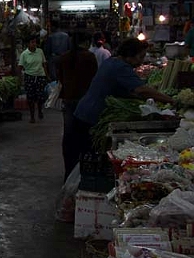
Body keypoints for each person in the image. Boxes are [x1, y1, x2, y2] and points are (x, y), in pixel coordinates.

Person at [65, 37, 176, 177]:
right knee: (86, 158)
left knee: (79, 156)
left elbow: (127, 90)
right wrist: (171, 100)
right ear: (130, 55)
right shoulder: (120, 67)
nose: (142, 61)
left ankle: (75, 184)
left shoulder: (112, 61)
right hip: (90, 116)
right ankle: (79, 188)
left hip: (83, 113)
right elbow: (141, 90)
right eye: (140, 57)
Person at [59, 32, 99, 178]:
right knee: (85, 136)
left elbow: (60, 79)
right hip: (85, 101)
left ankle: (69, 173)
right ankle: (84, 172)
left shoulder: (64, 58)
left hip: (68, 100)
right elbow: (95, 79)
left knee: (69, 137)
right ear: (86, 41)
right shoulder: (89, 57)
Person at [18, 35, 49, 123]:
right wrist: (19, 79)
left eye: (35, 42)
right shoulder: (24, 54)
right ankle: (32, 116)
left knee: (40, 96)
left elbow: (44, 64)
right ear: (28, 44)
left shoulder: (40, 51)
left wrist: (47, 75)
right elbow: (20, 67)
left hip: (40, 76)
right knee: (30, 97)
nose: (34, 44)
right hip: (29, 77)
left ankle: (39, 110)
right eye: (32, 42)